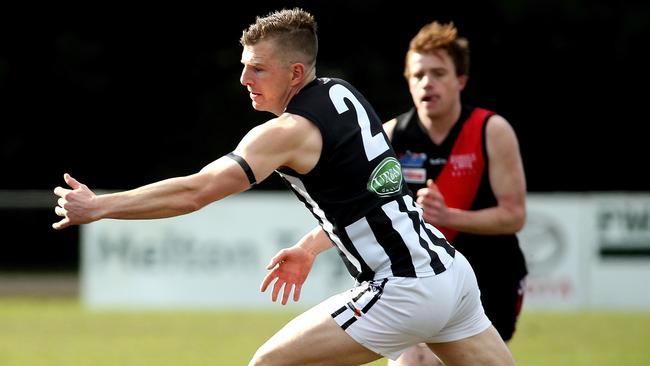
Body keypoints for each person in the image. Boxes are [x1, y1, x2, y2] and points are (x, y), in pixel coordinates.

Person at [52, 8, 516, 366]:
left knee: (269, 363)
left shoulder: (286, 131)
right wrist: (311, 247)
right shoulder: (342, 92)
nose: (243, 79)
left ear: (295, 73)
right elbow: (369, 201)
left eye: (257, 68)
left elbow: (197, 191)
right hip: (450, 275)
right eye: (244, 65)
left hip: (403, 290)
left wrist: (101, 207)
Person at [382, 21, 528, 365]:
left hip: (491, 278)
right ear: (408, 82)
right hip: (423, 281)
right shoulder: (391, 137)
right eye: (418, 75)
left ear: (460, 80)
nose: (426, 83)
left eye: (438, 73)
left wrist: (449, 217)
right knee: (415, 359)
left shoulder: (491, 130)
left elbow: (514, 216)